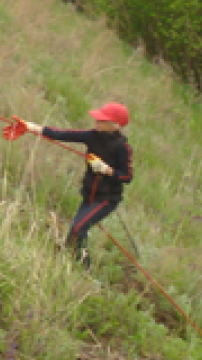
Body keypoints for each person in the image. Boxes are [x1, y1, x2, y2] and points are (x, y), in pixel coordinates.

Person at [11, 102, 134, 266]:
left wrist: (107, 170)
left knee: (78, 228)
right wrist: (29, 126)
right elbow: (61, 134)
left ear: (115, 125)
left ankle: (84, 269)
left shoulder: (123, 148)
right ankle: (69, 265)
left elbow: (127, 176)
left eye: (102, 120)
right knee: (74, 233)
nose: (96, 122)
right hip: (89, 195)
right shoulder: (91, 136)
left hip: (107, 200)